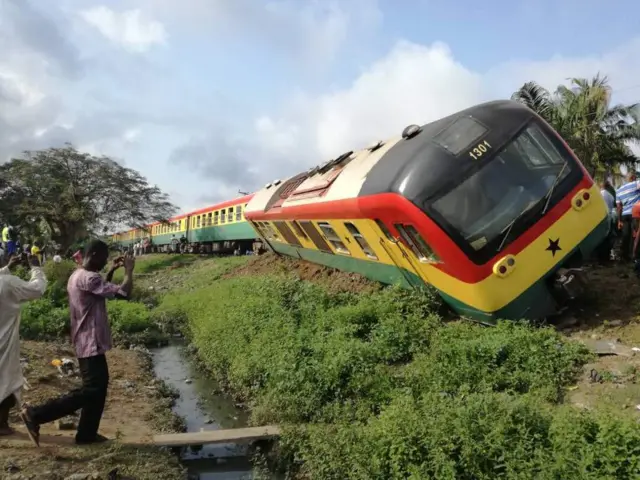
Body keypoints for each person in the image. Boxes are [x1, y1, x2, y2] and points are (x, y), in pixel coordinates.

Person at [20, 240, 135, 447]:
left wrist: (110, 271)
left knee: (97, 388)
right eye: (104, 258)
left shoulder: (78, 275)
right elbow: (122, 294)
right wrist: (129, 271)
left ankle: (87, 434)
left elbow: (103, 290)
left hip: (87, 341)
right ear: (94, 254)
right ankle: (35, 414)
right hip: (90, 341)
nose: (105, 261)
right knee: (92, 389)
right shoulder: (89, 278)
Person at [0, 254, 47, 435]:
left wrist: (7, 267)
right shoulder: (9, 282)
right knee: (7, 383)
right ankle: (1, 424)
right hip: (4, 342)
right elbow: (37, 289)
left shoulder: (5, 279)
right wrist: (35, 267)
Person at [616, 173, 640, 261]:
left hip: (624, 215)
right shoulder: (635, 184)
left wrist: (619, 220)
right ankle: (635, 256)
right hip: (636, 213)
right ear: (633, 178)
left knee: (626, 235)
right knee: (636, 235)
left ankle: (624, 256)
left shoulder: (619, 190)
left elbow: (619, 207)